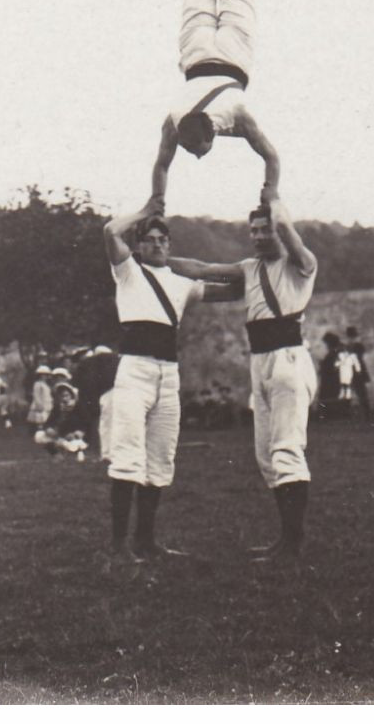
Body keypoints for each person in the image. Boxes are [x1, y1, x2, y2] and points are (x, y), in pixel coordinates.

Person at [164, 191, 316, 563]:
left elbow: (284, 225)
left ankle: (294, 545)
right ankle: (285, 540)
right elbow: (201, 268)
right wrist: (154, 260)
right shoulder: (250, 268)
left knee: (286, 449)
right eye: (254, 231)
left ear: (279, 230)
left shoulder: (302, 264)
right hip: (260, 361)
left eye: (265, 230)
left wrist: (275, 194)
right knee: (266, 456)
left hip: (288, 360)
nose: (260, 236)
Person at [102, 197, 241, 562]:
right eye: (149, 239)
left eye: (163, 239)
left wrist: (250, 273)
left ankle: (146, 541)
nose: (157, 244)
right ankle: (119, 546)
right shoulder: (128, 272)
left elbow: (233, 289)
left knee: (160, 457)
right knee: (128, 455)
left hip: (168, 375)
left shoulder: (182, 283)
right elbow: (109, 231)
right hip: (134, 371)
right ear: (138, 246)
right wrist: (147, 209)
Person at [150, 0, 280, 207]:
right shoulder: (174, 117)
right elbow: (162, 164)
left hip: (232, 56)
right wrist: (157, 199)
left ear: (212, 135)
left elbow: (271, 156)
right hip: (196, 54)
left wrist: (272, 192)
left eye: (195, 150)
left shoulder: (237, 114)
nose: (196, 156)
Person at [343, 326, 372, 423]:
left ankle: (365, 415)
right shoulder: (355, 346)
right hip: (356, 371)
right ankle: (363, 414)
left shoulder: (350, 347)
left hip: (354, 371)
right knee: (360, 394)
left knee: (360, 393)